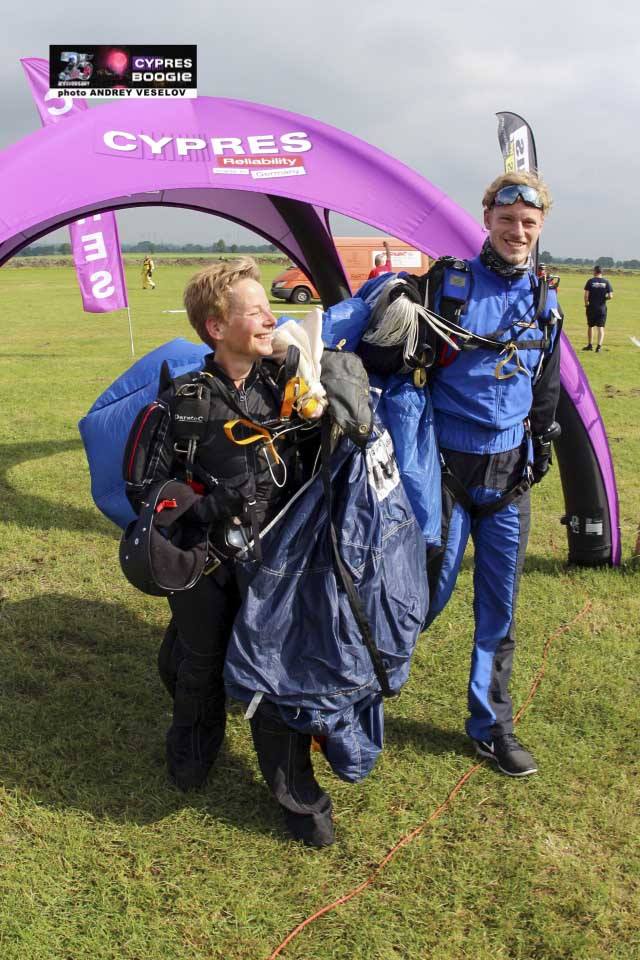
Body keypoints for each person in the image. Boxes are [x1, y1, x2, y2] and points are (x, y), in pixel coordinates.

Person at [125, 259, 334, 847]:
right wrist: (206, 506)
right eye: (255, 310)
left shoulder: (292, 385)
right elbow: (143, 488)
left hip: (276, 562)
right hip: (206, 560)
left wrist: (330, 411)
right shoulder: (184, 402)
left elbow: (322, 463)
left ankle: (297, 797)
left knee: (278, 674)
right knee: (200, 663)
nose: (272, 317)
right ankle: (192, 756)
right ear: (217, 327)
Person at [423, 171, 562, 777]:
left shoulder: (543, 297)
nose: (517, 230)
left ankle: (492, 725)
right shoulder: (447, 286)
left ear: (539, 229)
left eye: (529, 223)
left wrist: (545, 437)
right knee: (420, 597)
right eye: (508, 219)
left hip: (509, 475)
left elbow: (547, 377)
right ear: (488, 218)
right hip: (447, 470)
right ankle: (359, 694)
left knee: (499, 609)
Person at [583, 265, 613, 352]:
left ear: (595, 272)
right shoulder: (606, 282)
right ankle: (599, 347)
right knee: (601, 327)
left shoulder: (590, 281)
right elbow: (611, 296)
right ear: (601, 272)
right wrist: (604, 298)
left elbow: (586, 296)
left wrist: (586, 305)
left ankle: (590, 345)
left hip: (592, 307)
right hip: (602, 308)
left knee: (590, 326)